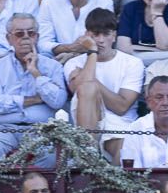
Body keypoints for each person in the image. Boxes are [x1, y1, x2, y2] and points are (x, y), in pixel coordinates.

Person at [0, 12, 68, 166]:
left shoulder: (52, 66)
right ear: (9, 39)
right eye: (19, 34)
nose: (26, 38)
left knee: (51, 154)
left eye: (31, 33)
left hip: (41, 129)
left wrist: (36, 73)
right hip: (4, 129)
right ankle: (5, 187)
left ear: (37, 37)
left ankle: (33, 186)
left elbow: (57, 101)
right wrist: (34, 99)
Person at [63, 8, 146, 164]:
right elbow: (78, 89)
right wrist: (92, 52)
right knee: (87, 88)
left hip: (120, 125)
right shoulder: (73, 63)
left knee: (124, 150)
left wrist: (92, 80)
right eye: (95, 35)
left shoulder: (133, 63)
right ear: (87, 35)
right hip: (85, 120)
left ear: (114, 36)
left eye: (106, 34)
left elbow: (121, 107)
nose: (100, 40)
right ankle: (88, 158)